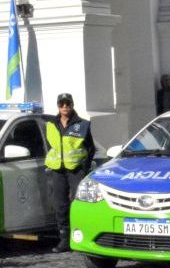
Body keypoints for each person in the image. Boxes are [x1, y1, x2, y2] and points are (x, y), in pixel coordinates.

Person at [44, 92, 95, 253]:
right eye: (61, 104)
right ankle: (64, 240)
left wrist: (84, 167)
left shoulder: (82, 124)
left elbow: (90, 148)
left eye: (67, 104)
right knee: (60, 205)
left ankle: (80, 236)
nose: (64, 107)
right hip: (57, 170)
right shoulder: (51, 124)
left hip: (76, 170)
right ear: (58, 106)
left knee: (78, 203)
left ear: (72, 105)